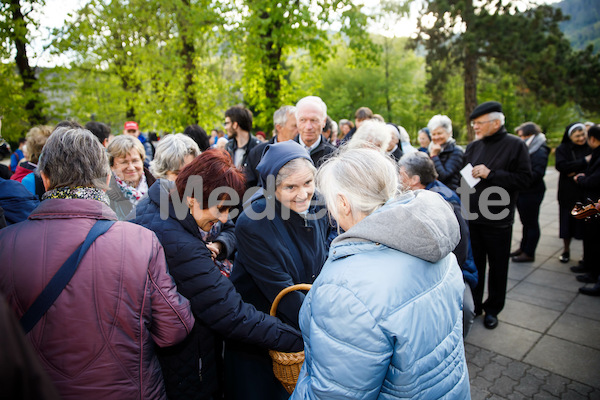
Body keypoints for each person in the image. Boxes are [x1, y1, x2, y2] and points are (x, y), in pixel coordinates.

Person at [0, 126, 194, 399]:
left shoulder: (6, 244)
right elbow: (173, 329)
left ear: (44, 179)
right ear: (105, 179)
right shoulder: (140, 241)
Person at [291, 148, 470, 399]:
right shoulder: (435, 246)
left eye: (330, 201)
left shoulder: (346, 287)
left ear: (343, 203)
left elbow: (336, 392)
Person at [131, 149, 303, 400]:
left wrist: (220, 245)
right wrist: (299, 339)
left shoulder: (164, 200)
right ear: (191, 197)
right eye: (220, 208)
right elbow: (232, 314)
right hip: (183, 368)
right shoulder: (178, 243)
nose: (223, 217)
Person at [226, 141, 331, 400]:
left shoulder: (316, 203)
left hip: (304, 332)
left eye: (308, 182)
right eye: (290, 187)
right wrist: (330, 332)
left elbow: (325, 252)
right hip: (265, 340)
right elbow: (283, 292)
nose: (303, 193)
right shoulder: (254, 222)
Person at [462, 101, 532, 330]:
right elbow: (464, 179)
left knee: (498, 266)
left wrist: (491, 174)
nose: (476, 128)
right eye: (474, 124)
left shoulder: (515, 145)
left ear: (496, 122)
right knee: (476, 264)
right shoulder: (473, 147)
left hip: (498, 219)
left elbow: (524, 179)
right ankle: (476, 305)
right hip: (473, 216)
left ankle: (493, 309)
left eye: (479, 123)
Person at [398, 151, 478, 338]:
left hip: (456, 268)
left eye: (401, 175)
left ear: (414, 179)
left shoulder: (442, 200)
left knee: (465, 309)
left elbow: (459, 250)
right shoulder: (421, 193)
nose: (398, 179)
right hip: (437, 264)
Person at [511, 122, 550, 263]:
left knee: (531, 223)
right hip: (524, 191)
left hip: (532, 192)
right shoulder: (528, 149)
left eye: (521, 136)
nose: (520, 139)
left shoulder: (540, 150)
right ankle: (523, 247)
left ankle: (529, 252)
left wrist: (518, 177)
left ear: (530, 135)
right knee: (526, 222)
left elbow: (536, 174)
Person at [555, 122, 591, 265]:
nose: (581, 138)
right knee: (566, 223)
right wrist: (584, 162)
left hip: (585, 191)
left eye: (583, 135)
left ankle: (585, 255)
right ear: (570, 137)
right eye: (577, 136)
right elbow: (562, 166)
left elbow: (593, 166)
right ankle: (566, 250)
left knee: (585, 225)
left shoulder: (590, 147)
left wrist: (574, 170)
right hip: (567, 192)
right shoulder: (563, 149)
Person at [573, 125, 600, 295]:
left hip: (595, 204)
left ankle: (594, 274)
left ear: (593, 139)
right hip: (591, 204)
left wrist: (581, 178)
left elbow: (594, 181)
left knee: (596, 240)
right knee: (590, 237)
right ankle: (591, 269)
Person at [246, 105, 298, 188]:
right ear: (279, 127)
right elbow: (250, 186)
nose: (300, 129)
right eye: (295, 126)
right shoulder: (258, 152)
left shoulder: (303, 151)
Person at [106, 135, 156, 220]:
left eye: (135, 161)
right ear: (112, 166)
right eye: (124, 162)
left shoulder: (157, 188)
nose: (131, 167)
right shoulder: (105, 195)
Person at [293, 96, 336, 167]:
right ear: (296, 121)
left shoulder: (334, 156)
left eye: (314, 120)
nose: (308, 127)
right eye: (303, 120)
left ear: (324, 122)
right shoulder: (285, 153)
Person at [427, 114, 464, 191]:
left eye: (439, 133)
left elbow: (443, 176)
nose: (436, 137)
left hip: (450, 194)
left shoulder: (456, 151)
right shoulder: (430, 149)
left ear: (449, 133)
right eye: (433, 134)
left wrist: (434, 156)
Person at [225, 105, 261, 170]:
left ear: (235, 125)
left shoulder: (259, 148)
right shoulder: (228, 147)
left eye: (227, 123)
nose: (225, 127)